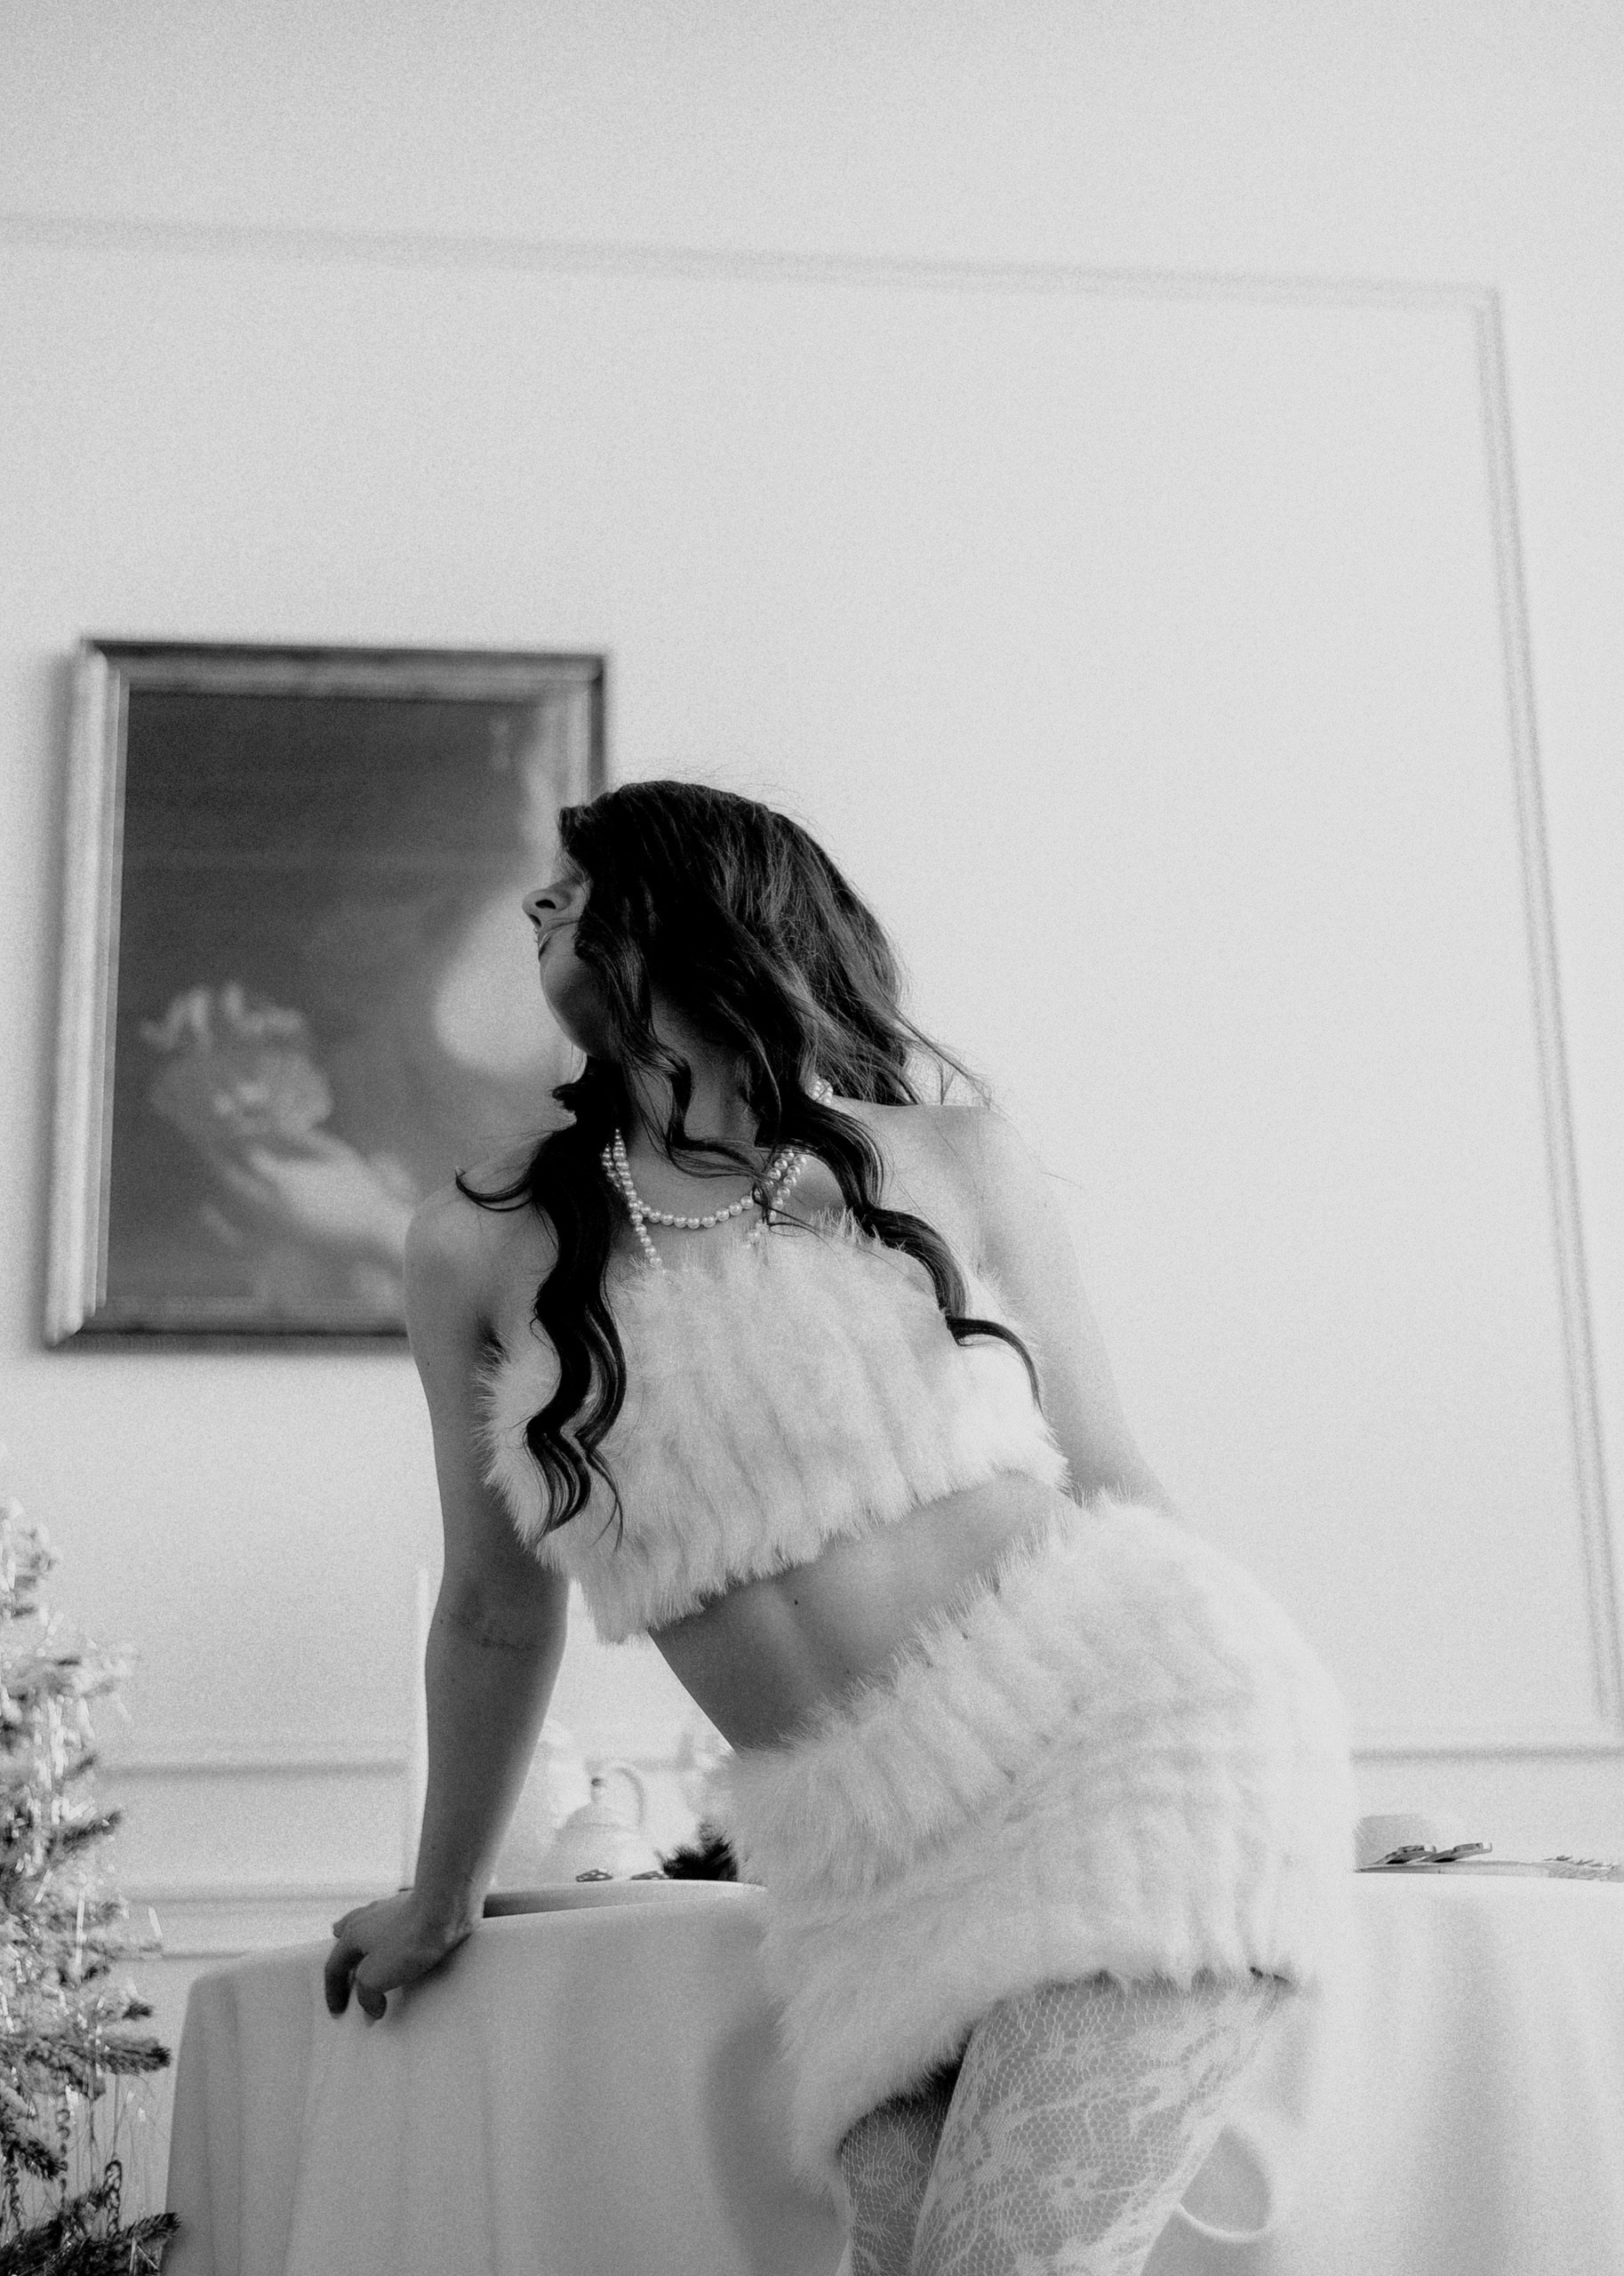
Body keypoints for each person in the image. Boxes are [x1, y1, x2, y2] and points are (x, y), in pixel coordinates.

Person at [324, 780, 1356, 2275]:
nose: (542, 906)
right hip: (862, 1871)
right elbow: (494, 1607)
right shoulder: (475, 1243)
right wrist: (440, 1902)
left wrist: (1309, 1789)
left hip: (1123, 1751)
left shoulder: (949, 1158)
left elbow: (1114, 1475)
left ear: (698, 905)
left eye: (579, 885)